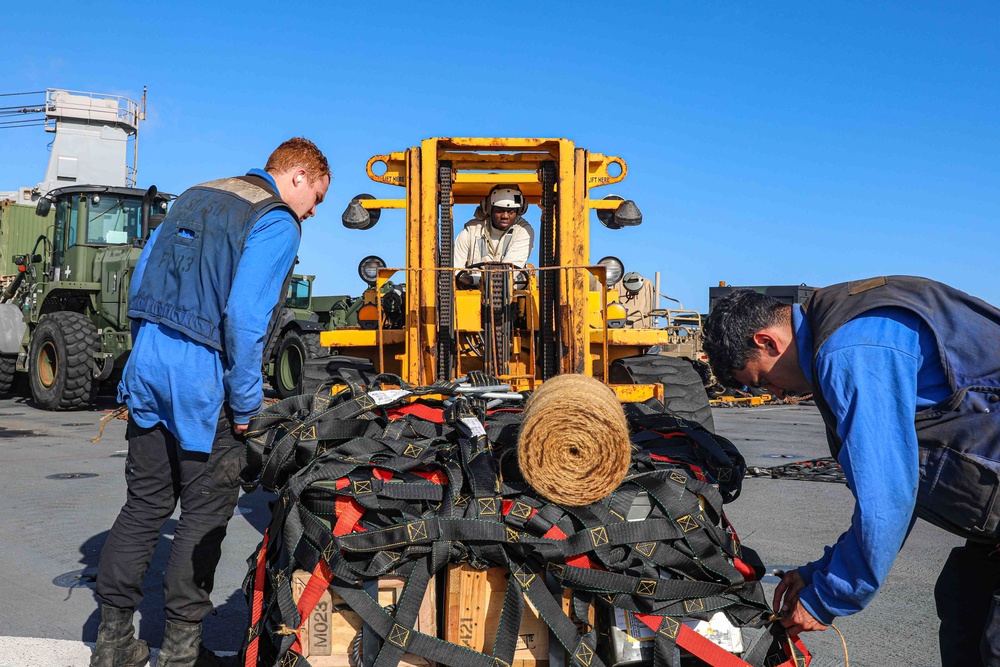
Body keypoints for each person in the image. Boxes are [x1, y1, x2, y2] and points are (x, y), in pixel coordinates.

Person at [90, 138, 330, 667]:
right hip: (205, 382)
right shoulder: (275, 220)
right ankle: (179, 653)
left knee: (143, 506)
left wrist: (142, 359)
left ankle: (111, 646)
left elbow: (140, 283)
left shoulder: (196, 194)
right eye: (315, 197)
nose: (312, 212)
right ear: (297, 175)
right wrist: (245, 405)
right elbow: (244, 319)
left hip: (149, 365)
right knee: (202, 516)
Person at [701, 276, 1000, 666]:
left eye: (764, 380)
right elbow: (902, 484)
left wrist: (826, 598)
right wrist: (821, 572)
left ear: (766, 341)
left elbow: (888, 495)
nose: (776, 394)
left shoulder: (849, 349)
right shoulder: (842, 326)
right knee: (965, 606)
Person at [454, 184, 534, 287]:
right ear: (489, 208)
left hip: (512, 296)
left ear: (519, 211)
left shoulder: (524, 231)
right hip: (471, 294)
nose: (505, 216)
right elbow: (454, 270)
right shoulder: (471, 231)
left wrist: (472, 279)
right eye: (500, 210)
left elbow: (507, 273)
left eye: (511, 211)